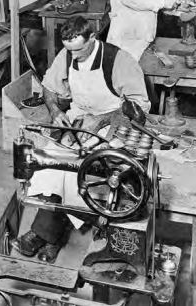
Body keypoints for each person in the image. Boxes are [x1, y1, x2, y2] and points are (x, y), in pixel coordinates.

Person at [12, 16, 150, 261]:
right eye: (69, 50)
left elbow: (138, 108)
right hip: (79, 119)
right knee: (54, 163)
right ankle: (50, 233)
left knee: (83, 167)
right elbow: (49, 88)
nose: (73, 57)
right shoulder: (66, 55)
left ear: (93, 38)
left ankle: (46, 235)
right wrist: (55, 112)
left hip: (115, 123)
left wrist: (103, 120)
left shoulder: (118, 60)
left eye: (79, 50)